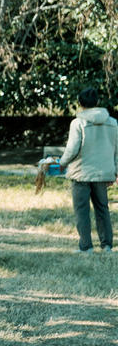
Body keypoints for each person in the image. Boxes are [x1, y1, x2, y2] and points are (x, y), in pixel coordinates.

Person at [59, 88, 118, 253]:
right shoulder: (113, 123)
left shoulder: (78, 123)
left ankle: (86, 247)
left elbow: (72, 150)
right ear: (97, 102)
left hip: (81, 173)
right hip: (103, 173)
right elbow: (117, 150)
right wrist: (115, 171)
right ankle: (107, 245)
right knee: (102, 209)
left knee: (82, 210)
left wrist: (62, 163)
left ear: (80, 103)